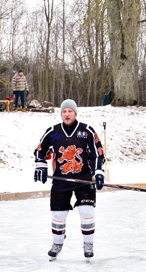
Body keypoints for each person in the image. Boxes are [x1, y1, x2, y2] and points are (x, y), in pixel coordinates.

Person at [33, 98, 105, 260]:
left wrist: (98, 171)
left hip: (83, 179)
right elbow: (39, 150)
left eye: (70, 111)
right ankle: (57, 243)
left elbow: (98, 153)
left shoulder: (87, 131)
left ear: (75, 113)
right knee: (58, 215)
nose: (67, 114)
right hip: (60, 179)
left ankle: (88, 244)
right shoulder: (53, 132)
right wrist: (41, 165)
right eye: (64, 111)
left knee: (87, 211)